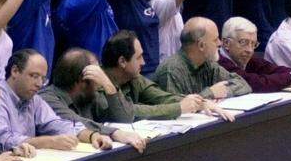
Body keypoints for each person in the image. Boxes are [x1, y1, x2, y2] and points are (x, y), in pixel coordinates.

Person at [0, 49, 112, 152]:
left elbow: (56, 124)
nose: (39, 84)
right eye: (34, 76)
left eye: (43, 78)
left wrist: (91, 135)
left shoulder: (34, 99)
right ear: (15, 71)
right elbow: (4, 141)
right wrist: (48, 141)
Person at [99, 31, 232, 121]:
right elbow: (128, 112)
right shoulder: (98, 84)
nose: (143, 62)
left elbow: (162, 97)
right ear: (122, 61)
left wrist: (199, 103)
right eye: (138, 58)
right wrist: (179, 108)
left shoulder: (134, 78)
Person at [38, 49, 146, 153]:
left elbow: (124, 119)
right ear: (83, 79)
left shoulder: (89, 95)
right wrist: (115, 133)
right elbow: (76, 123)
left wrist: (109, 86)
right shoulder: (46, 99)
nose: (99, 82)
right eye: (98, 74)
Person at [153, 18, 251, 100]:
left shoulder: (208, 64)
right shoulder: (171, 71)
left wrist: (224, 91)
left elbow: (243, 84)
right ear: (201, 45)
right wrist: (209, 93)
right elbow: (175, 109)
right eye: (215, 39)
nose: (220, 43)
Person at [219, 17, 291, 93]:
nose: (250, 50)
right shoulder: (219, 63)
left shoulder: (244, 57)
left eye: (253, 44)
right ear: (226, 43)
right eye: (243, 42)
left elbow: (273, 69)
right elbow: (255, 83)